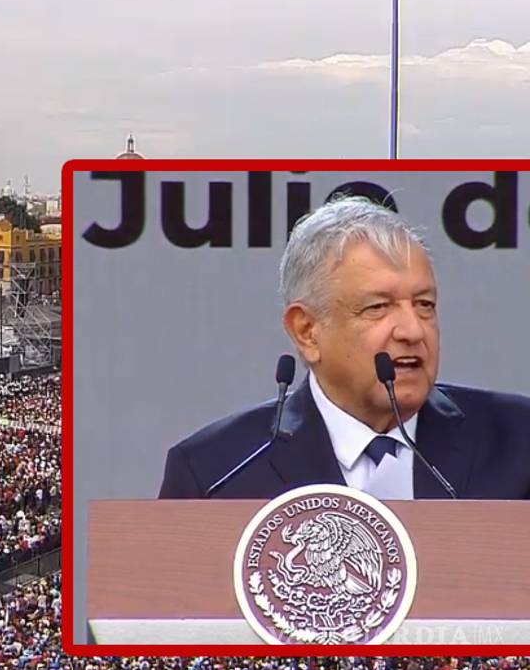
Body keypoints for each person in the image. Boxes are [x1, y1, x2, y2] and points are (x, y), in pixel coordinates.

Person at [159, 195, 530, 500]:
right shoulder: (215, 473)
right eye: (378, 307)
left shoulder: (518, 442)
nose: (413, 331)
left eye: (424, 305)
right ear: (307, 331)